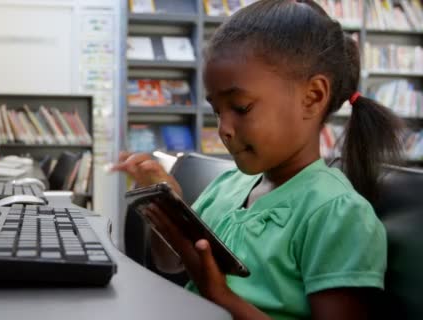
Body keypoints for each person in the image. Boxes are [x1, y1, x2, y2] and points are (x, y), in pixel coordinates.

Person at [112, 1, 404, 319]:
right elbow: (171, 264)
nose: (223, 129)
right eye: (217, 111)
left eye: (241, 108)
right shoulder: (226, 186)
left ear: (313, 96)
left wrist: (219, 295)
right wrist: (167, 215)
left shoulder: (338, 215)